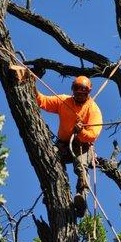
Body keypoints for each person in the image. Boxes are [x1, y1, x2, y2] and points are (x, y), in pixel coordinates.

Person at [35, 76, 103, 217]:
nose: (79, 93)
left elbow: (93, 135)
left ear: (88, 92)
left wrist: (81, 131)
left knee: (81, 166)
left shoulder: (93, 109)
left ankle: (81, 198)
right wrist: (32, 87)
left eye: (83, 91)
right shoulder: (64, 101)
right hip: (63, 145)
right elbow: (43, 101)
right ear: (73, 90)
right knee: (48, 157)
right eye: (77, 90)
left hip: (83, 145)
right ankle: (50, 191)